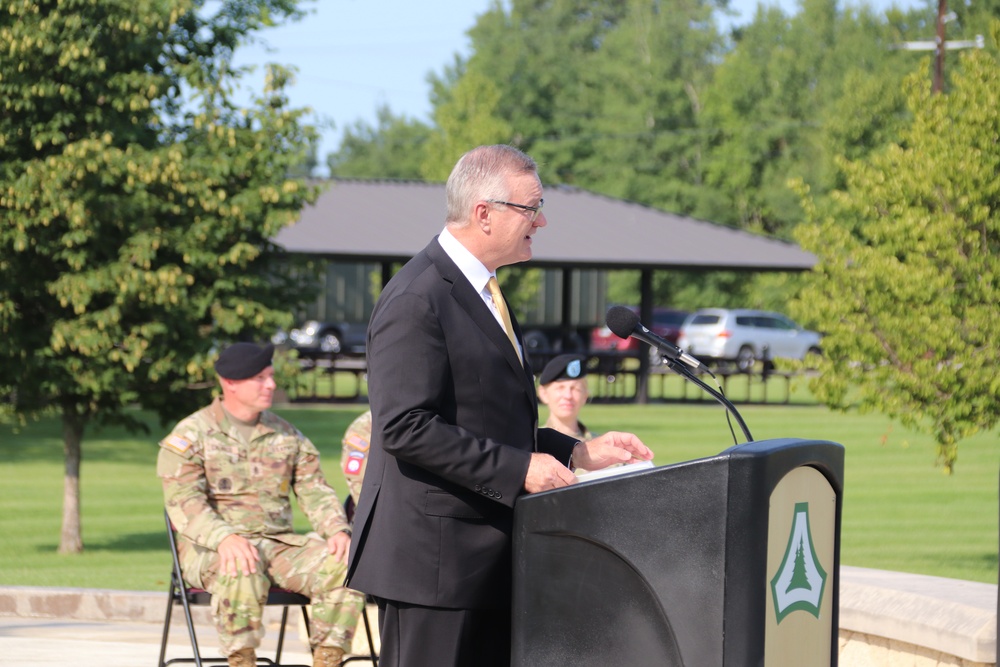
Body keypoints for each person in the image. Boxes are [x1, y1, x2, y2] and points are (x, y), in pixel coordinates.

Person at [346, 144, 653, 667]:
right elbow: (405, 427)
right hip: (435, 567)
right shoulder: (418, 297)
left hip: (484, 560)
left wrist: (578, 452)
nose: (543, 220)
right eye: (531, 207)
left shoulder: (484, 290)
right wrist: (519, 470)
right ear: (483, 213)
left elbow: (487, 417)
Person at [157, 342, 364, 667]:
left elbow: (315, 490)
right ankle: (242, 660)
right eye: (260, 378)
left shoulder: (286, 435)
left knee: (347, 562)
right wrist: (225, 538)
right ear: (230, 384)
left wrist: (337, 530)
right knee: (242, 565)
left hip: (277, 545)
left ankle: (328, 658)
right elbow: (184, 502)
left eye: (270, 376)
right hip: (212, 549)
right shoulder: (192, 436)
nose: (271, 385)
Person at [537, 353, 595, 441]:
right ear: (544, 394)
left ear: (585, 396)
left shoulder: (599, 445)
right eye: (560, 388)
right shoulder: (534, 445)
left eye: (575, 388)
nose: (568, 396)